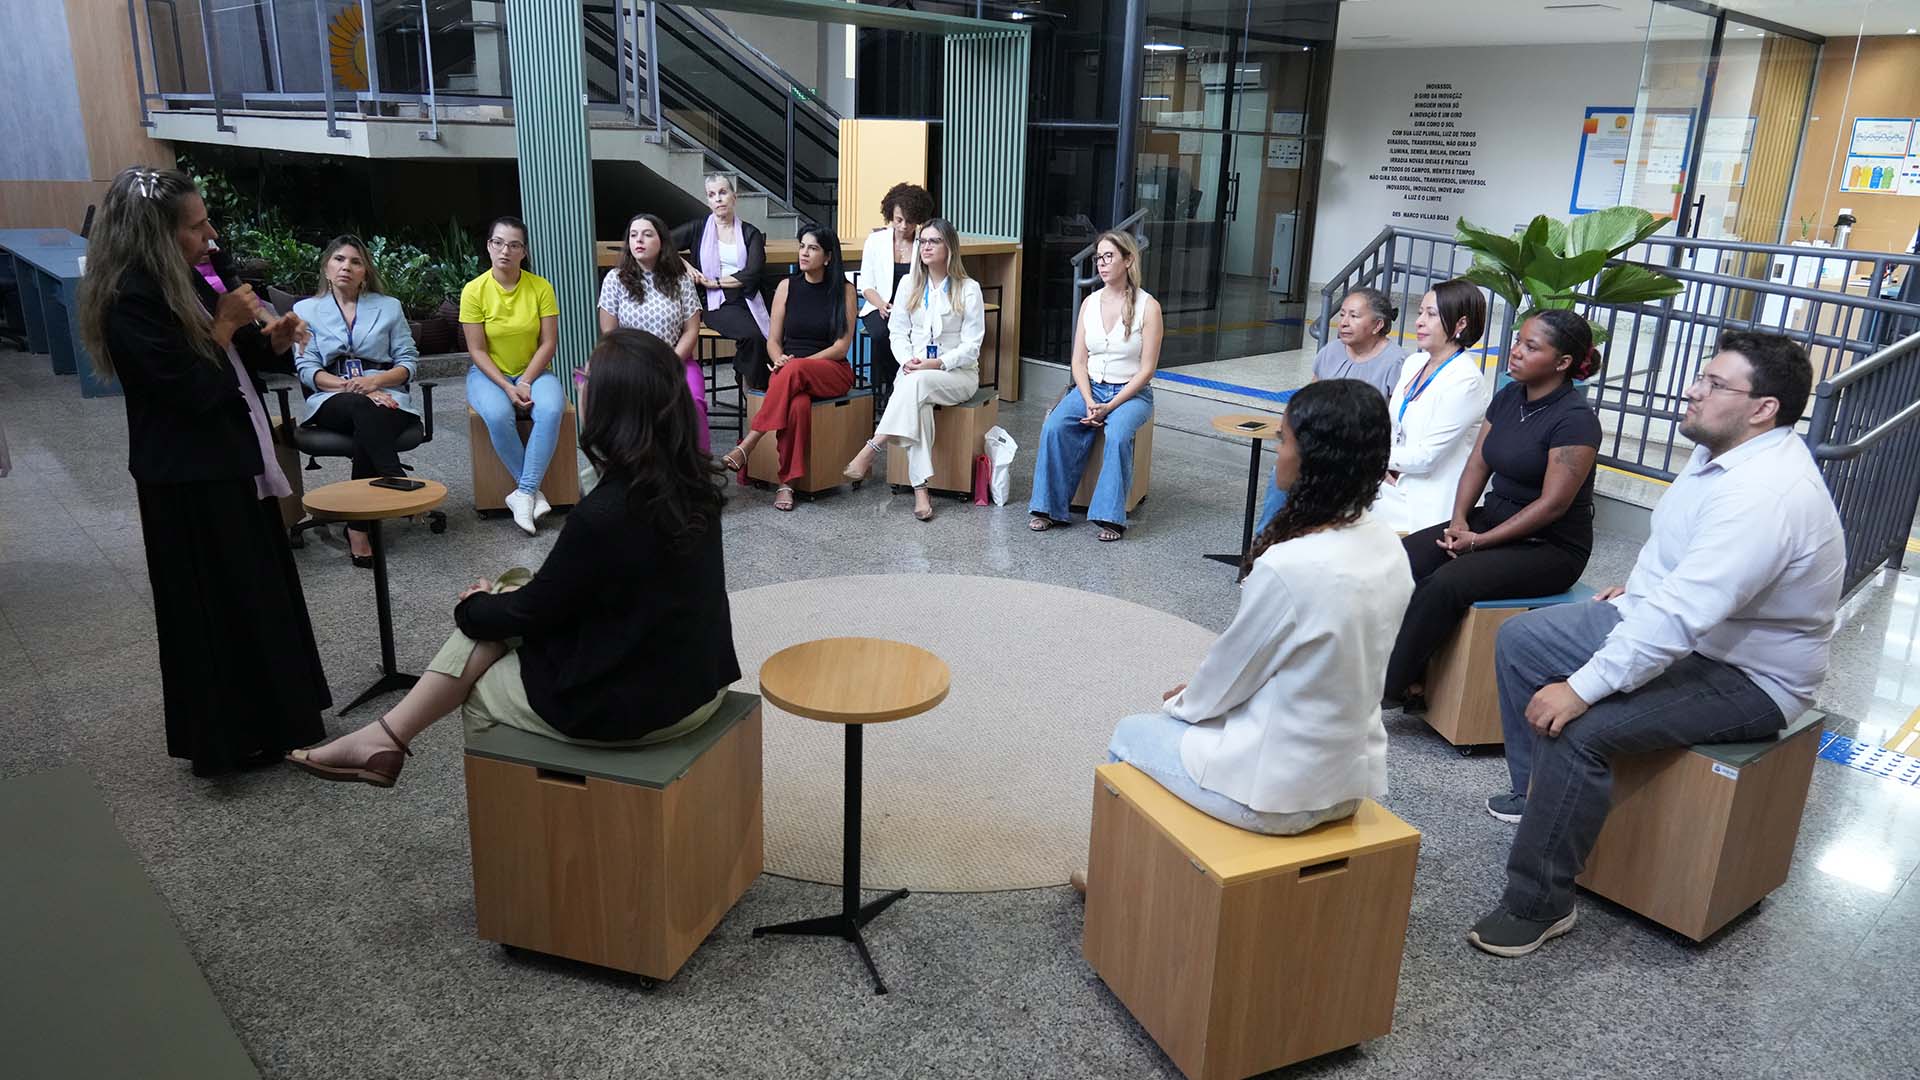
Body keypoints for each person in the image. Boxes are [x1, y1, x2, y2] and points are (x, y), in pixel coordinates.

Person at [1468, 332, 1843, 958]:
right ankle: (1542, 801)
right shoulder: (1721, 453)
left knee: (1577, 726)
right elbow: (1678, 561)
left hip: (1749, 675)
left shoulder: (1766, 494)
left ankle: (1539, 903)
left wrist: (1581, 689)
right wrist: (1635, 593)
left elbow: (1685, 616)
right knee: (1522, 641)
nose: (1693, 389)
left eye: (1714, 384)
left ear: (1763, 409)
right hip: (1683, 628)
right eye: (1702, 376)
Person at [288, 330, 742, 788]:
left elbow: (532, 613)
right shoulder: (695, 485)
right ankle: (383, 738)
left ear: (611, 407)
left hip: (634, 710)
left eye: (587, 381)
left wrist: (473, 606)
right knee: (509, 597)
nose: (580, 387)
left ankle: (421, 754)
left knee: (479, 647)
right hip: (701, 684)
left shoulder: (605, 512)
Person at [74, 166, 330, 777]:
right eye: (196, 226)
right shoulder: (127, 298)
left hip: (230, 458)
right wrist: (223, 322)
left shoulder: (184, 275)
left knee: (256, 593)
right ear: (156, 235)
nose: (211, 234)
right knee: (213, 609)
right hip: (186, 477)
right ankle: (227, 738)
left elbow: (233, 360)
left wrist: (270, 338)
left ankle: (278, 721)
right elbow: (187, 391)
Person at [1100, 380, 1413, 838]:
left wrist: (1183, 704)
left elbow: (1231, 672)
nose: (1277, 451)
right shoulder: (1388, 545)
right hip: (1348, 781)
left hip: (1273, 792)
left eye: (1283, 440)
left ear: (1314, 458)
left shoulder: (1290, 565)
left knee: (1131, 733)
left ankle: (1116, 884)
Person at [1381, 310, 1602, 708]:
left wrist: (1478, 542)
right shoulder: (1508, 397)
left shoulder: (1576, 420)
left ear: (1563, 362)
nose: (1515, 352)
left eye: (1530, 347)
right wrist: (1461, 520)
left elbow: (1553, 505)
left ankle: (1387, 688)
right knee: (1400, 560)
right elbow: (1477, 464)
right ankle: (1410, 671)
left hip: (1549, 546)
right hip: (1491, 520)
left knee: (1445, 584)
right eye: (1518, 341)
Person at [840, 218, 985, 522]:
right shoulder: (909, 284)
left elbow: (972, 345)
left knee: (914, 385)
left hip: (957, 374)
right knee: (917, 402)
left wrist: (938, 363)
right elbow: (897, 331)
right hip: (914, 372)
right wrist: (906, 359)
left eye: (934, 241)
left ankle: (872, 447)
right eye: (924, 241)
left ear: (949, 247)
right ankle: (921, 491)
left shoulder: (968, 289)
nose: (926, 247)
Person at [293, 234, 424, 566]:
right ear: (326, 268)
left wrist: (375, 381)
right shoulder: (305, 310)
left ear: (365, 271)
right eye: (338, 260)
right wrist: (348, 386)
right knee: (364, 407)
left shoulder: (388, 307)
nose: (346, 267)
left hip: (387, 393)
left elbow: (408, 362)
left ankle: (358, 528)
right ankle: (393, 474)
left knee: (370, 416)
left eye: (355, 261)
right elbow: (307, 368)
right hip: (334, 397)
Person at [1028, 229, 1162, 541]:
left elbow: (1147, 370)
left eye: (1109, 256)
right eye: (1098, 258)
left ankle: (1110, 518)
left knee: (1116, 433)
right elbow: (1078, 361)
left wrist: (1110, 407)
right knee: (1054, 426)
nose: (1101, 264)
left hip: (1131, 394)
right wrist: (1089, 400)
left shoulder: (1148, 306)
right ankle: (1049, 509)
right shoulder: (1090, 303)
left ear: (1128, 260)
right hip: (1091, 389)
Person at [719, 223, 858, 511]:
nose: (804, 253)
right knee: (797, 406)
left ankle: (750, 442)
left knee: (794, 372)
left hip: (831, 370)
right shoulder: (786, 286)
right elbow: (772, 340)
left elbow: (841, 347)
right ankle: (787, 484)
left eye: (813, 248)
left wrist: (795, 365)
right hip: (790, 372)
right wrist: (779, 357)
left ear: (828, 257)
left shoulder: (844, 291)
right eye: (802, 246)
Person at [1256, 287, 1408, 532]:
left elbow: (1394, 425)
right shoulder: (1331, 351)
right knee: (1281, 472)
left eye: (1354, 316)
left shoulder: (1396, 362)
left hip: (1358, 455)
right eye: (1343, 314)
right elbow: (1310, 402)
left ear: (1378, 325)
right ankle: (1266, 543)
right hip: (1319, 448)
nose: (1344, 323)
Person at [461, 216, 563, 536]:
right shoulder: (474, 290)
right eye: (498, 243)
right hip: (488, 374)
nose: (505, 250)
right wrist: (506, 385)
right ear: (489, 246)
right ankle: (531, 492)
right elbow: (476, 350)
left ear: (524, 252)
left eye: (514, 245)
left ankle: (522, 492)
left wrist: (525, 380)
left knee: (551, 409)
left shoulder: (540, 287)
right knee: (496, 412)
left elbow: (549, 343)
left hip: (533, 371)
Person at [1374, 278, 1491, 534]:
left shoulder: (1466, 381)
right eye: (1420, 313)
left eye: (1431, 314)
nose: (1419, 321)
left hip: (1429, 502)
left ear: (1461, 323)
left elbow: (1427, 456)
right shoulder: (1415, 363)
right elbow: (1396, 429)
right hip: (1396, 483)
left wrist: (1372, 459)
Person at [597, 212, 705, 447]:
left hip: (676, 360)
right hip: (630, 362)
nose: (639, 241)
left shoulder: (680, 279)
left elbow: (691, 330)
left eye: (647, 235)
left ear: (662, 242)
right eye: (634, 235)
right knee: (635, 407)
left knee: (692, 402)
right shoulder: (615, 279)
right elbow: (610, 334)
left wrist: (670, 362)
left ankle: (693, 472)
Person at [674, 173, 771, 392]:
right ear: (708, 201)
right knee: (753, 337)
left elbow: (753, 272)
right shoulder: (698, 228)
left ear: (734, 198)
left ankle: (745, 373)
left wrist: (716, 282)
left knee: (776, 335)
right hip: (715, 303)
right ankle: (755, 392)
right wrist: (687, 266)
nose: (718, 199)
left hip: (748, 297)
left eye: (722, 192)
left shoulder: (750, 232)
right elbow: (661, 244)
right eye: (712, 195)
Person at [857, 182, 934, 411]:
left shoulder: (924, 242)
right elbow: (867, 286)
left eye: (910, 222)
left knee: (912, 337)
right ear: (890, 213)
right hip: (878, 306)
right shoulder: (876, 241)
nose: (903, 226)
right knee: (882, 335)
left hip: (914, 309)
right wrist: (881, 304)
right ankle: (891, 387)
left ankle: (901, 389)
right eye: (898, 219)